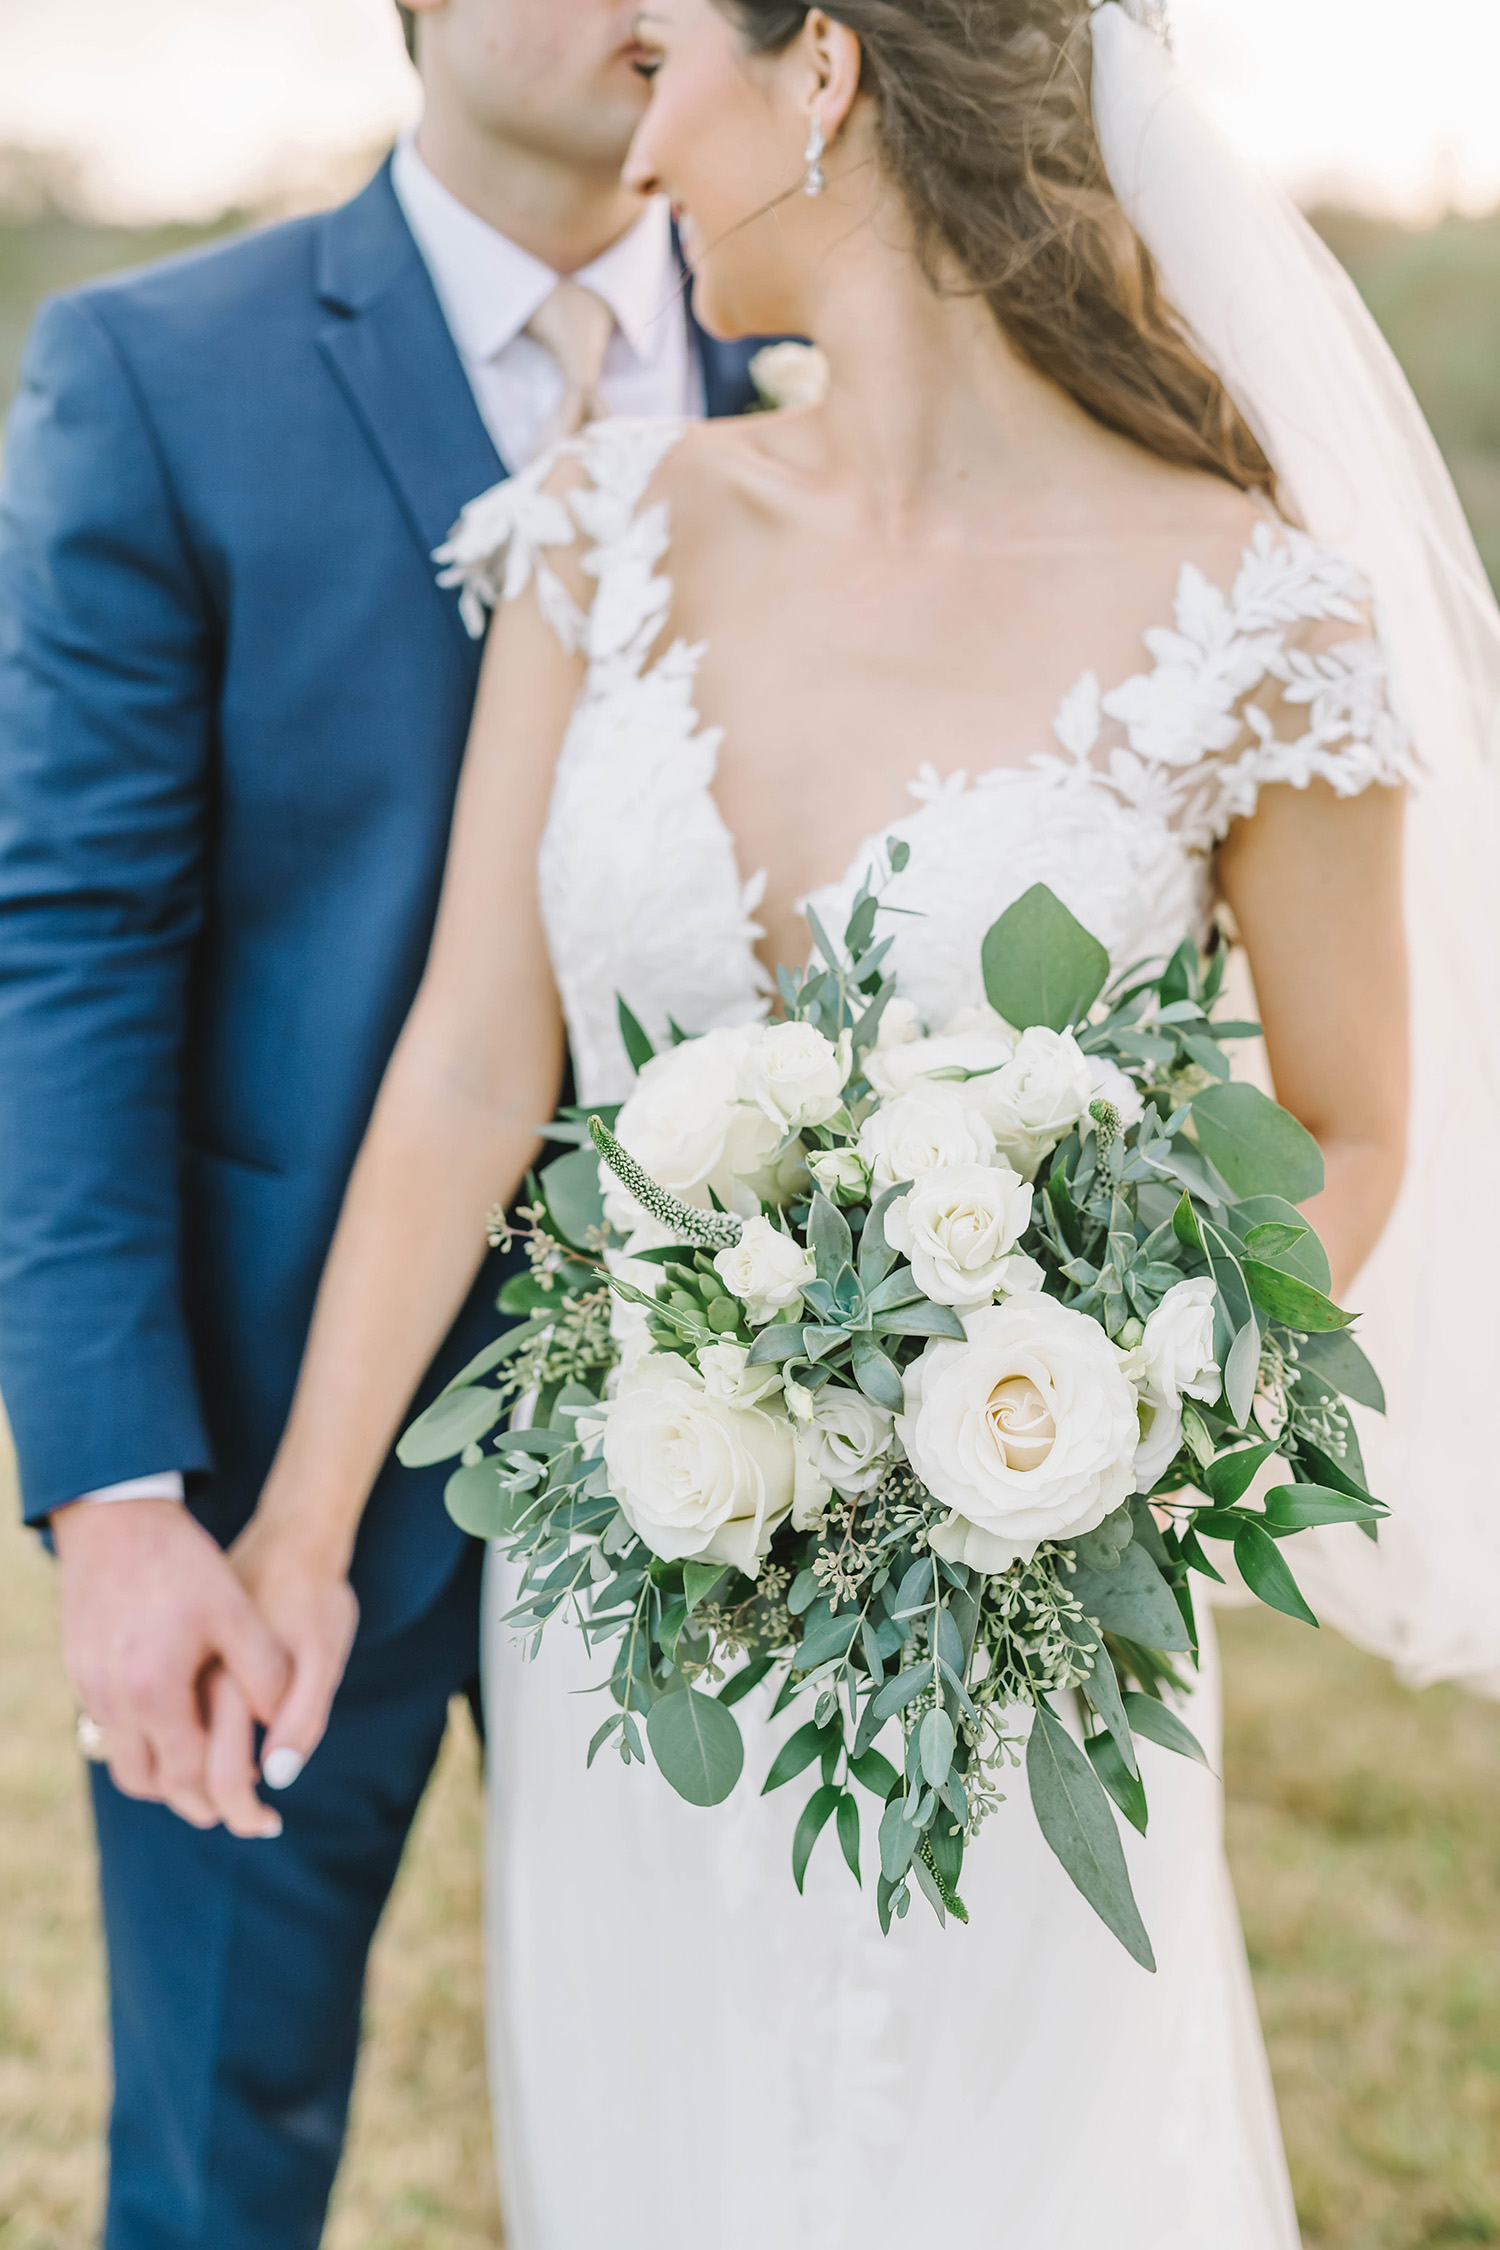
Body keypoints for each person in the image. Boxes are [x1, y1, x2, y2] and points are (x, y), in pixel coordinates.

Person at [105, 1, 1500, 2245]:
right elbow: (477, 1069)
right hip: (634, 1610)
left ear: (825, 70)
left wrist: (1075, 1400)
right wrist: (298, 1527)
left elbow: (1347, 1133)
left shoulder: (1256, 616)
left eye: (674, 66)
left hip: (1027, 1598)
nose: (638, 136)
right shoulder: (603, 530)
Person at [0, 1, 776, 2241]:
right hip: (269, 1466)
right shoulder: (159, 372)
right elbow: (64, 950)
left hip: (739, 1476)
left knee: (703, 2141)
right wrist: (121, 1506)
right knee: (218, 2162)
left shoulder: (829, 367)